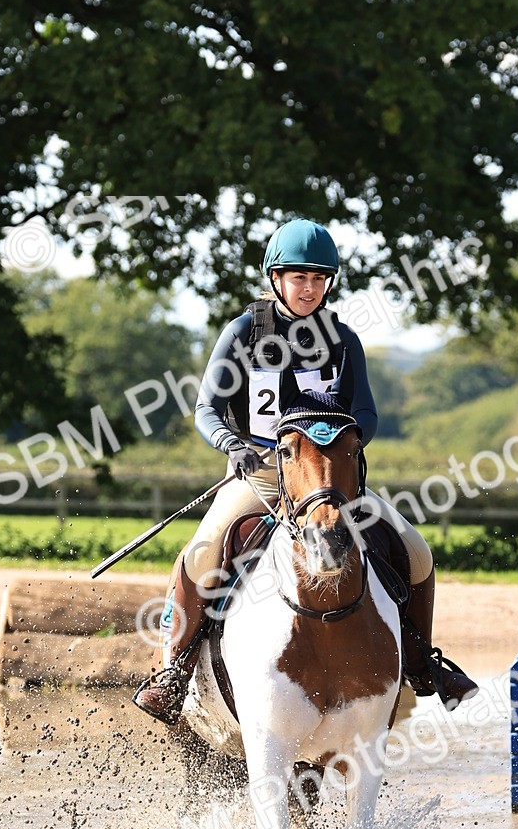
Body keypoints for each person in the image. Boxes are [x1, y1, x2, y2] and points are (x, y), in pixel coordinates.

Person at [134, 218, 478, 726]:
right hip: (263, 475)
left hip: (328, 481)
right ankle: (174, 671)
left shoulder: (342, 340)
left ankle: (425, 662)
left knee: (416, 553)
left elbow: (367, 412)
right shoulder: (244, 333)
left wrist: (340, 445)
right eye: (299, 278)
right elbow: (207, 408)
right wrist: (231, 443)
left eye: (319, 279)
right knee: (203, 551)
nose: (309, 289)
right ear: (275, 279)